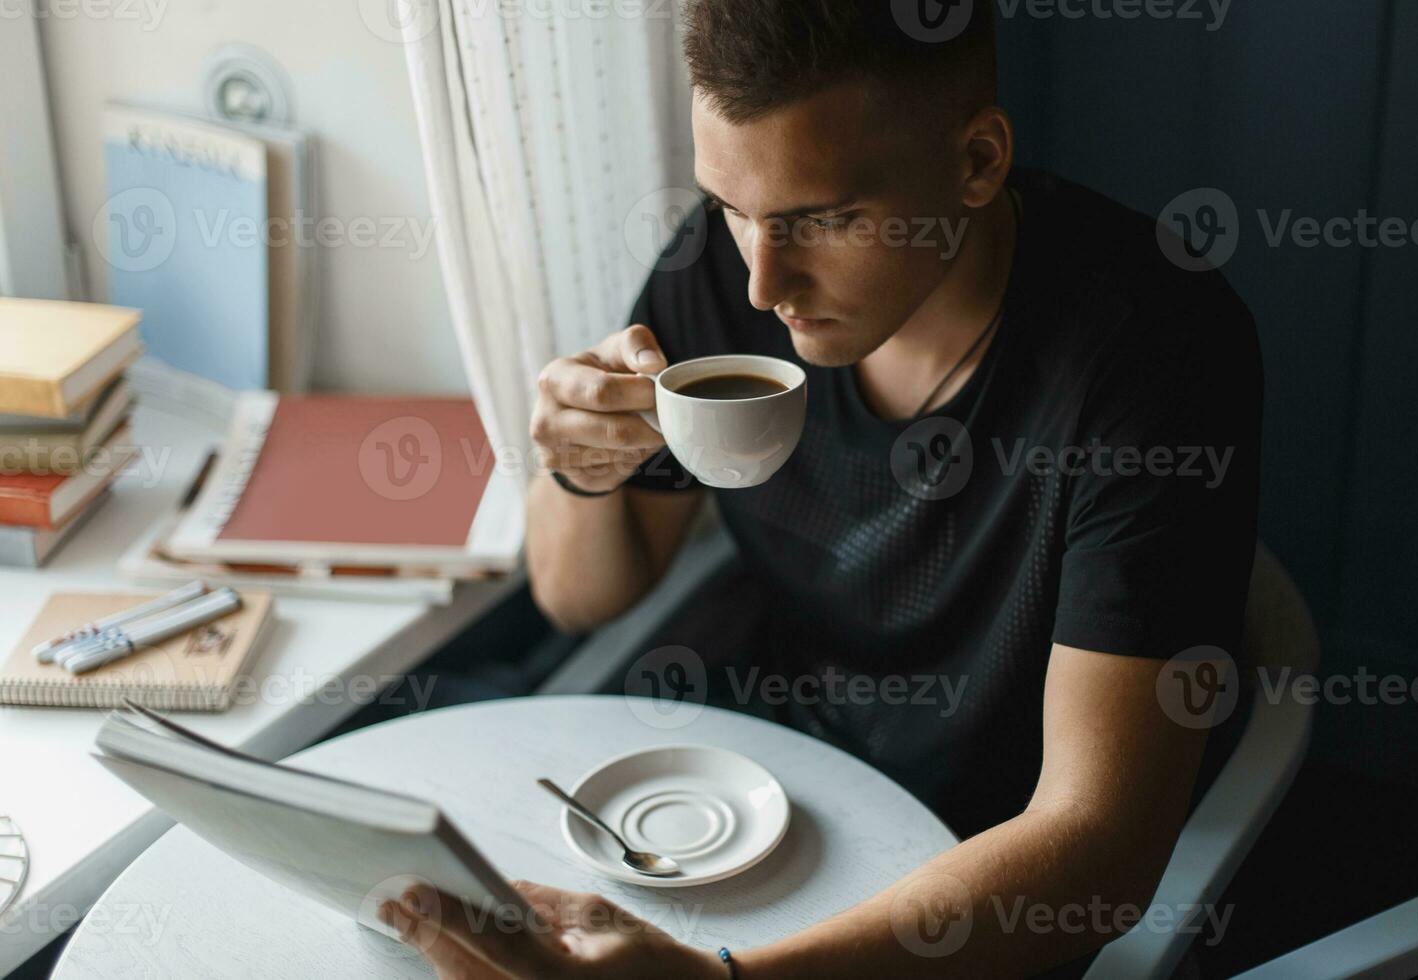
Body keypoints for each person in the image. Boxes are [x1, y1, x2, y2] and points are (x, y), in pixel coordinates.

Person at [380, 1, 1263, 976]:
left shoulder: (1155, 349)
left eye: (822, 219)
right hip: (773, 810)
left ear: (975, 161)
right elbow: (584, 595)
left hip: (977, 886)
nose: (762, 284)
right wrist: (578, 469)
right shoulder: (717, 270)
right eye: (730, 206)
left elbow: (1100, 842)